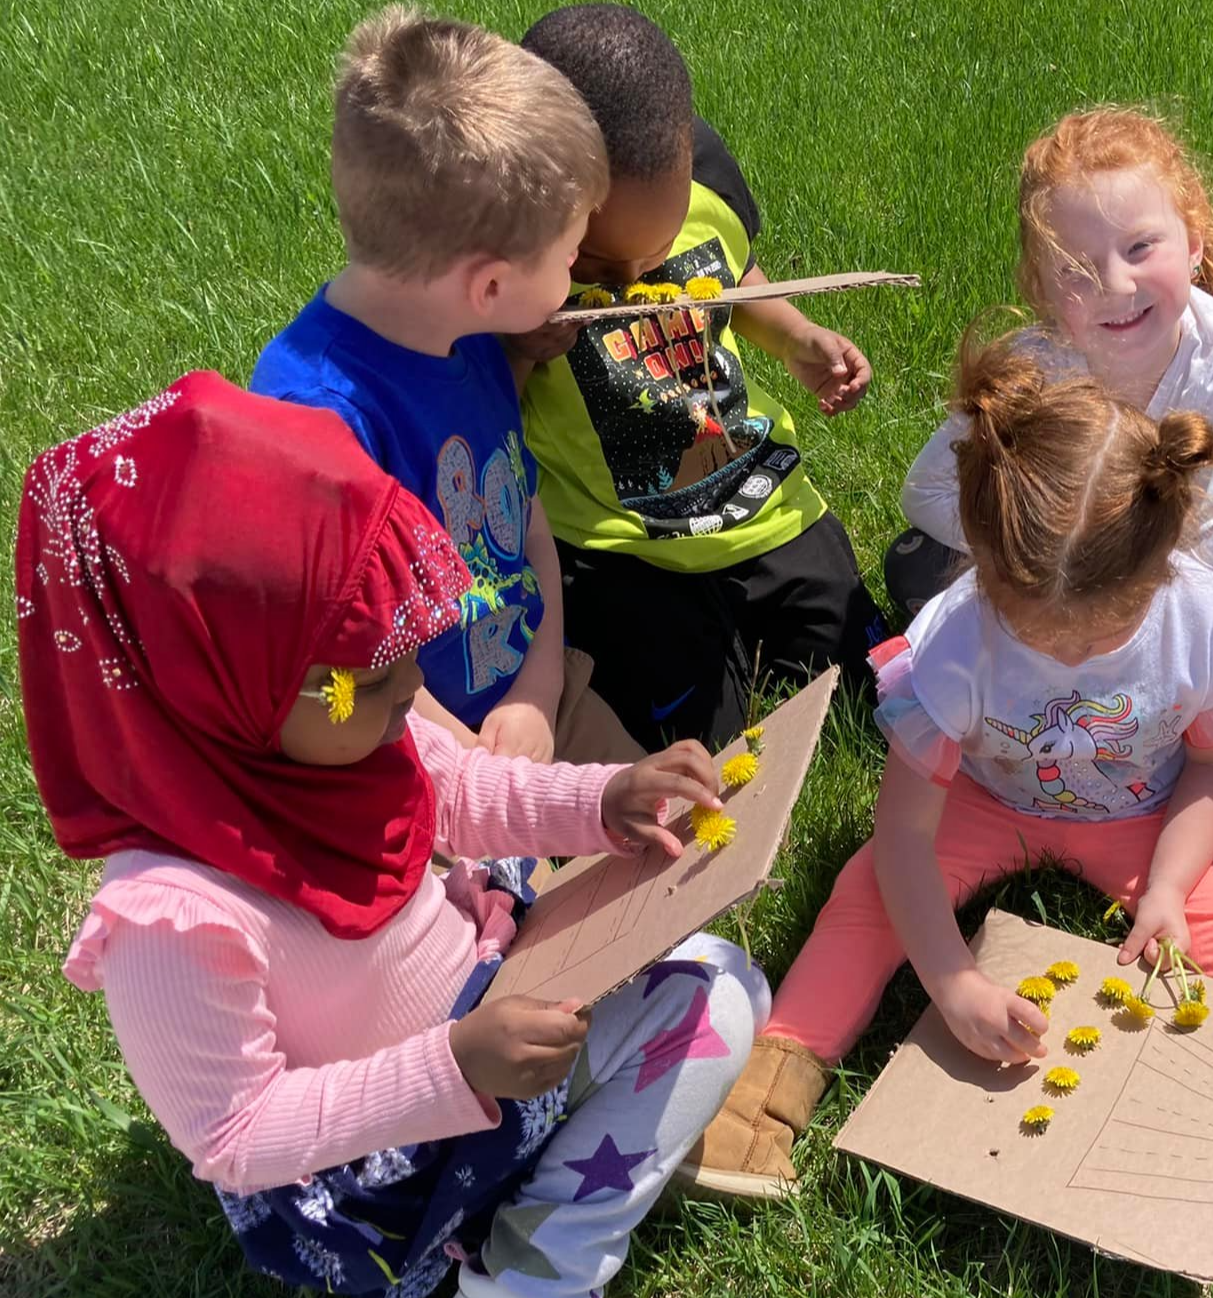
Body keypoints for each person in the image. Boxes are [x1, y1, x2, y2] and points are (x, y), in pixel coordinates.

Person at [684, 324, 1213, 1261]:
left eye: (1105, 631)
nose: (1073, 655)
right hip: (982, 799)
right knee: (863, 899)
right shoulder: (956, 642)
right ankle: (758, 1101)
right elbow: (904, 839)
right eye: (1038, 630)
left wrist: (1169, 889)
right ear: (983, 564)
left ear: (1166, 560)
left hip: (1144, 811)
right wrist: (952, 980)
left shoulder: (1203, 619)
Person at [17, 374, 767, 1297]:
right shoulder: (172, 917)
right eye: (369, 679)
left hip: (501, 1020)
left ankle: (552, 1199)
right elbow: (236, 1135)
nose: (414, 691)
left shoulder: (344, 731)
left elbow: (460, 789)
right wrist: (450, 1064)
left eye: (407, 649)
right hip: (392, 1163)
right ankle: (533, 1273)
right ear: (214, 688)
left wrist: (603, 799)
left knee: (723, 986)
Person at [252, 7, 638, 766]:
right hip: (412, 749)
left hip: (537, 694)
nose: (580, 272)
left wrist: (540, 682)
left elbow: (525, 521)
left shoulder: (469, 337)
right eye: (571, 254)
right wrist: (477, 773)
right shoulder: (320, 423)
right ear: (490, 286)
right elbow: (347, 665)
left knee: (674, 830)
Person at [510, 3, 885, 750]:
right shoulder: (510, 247)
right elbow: (473, 405)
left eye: (649, 256)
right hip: (624, 549)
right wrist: (520, 351)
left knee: (873, 693)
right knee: (690, 746)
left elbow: (735, 274)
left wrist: (797, 336)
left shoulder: (706, 182)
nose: (625, 280)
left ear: (689, 160)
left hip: (760, 500)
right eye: (593, 263)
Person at [886, 106, 1213, 622]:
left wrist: (1132, 589)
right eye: (1077, 269)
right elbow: (925, 491)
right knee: (915, 565)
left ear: (1193, 243)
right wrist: (1037, 567)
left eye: (1140, 247)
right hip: (1052, 577)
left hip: (1179, 572)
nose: (1116, 285)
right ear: (1041, 285)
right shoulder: (1035, 366)